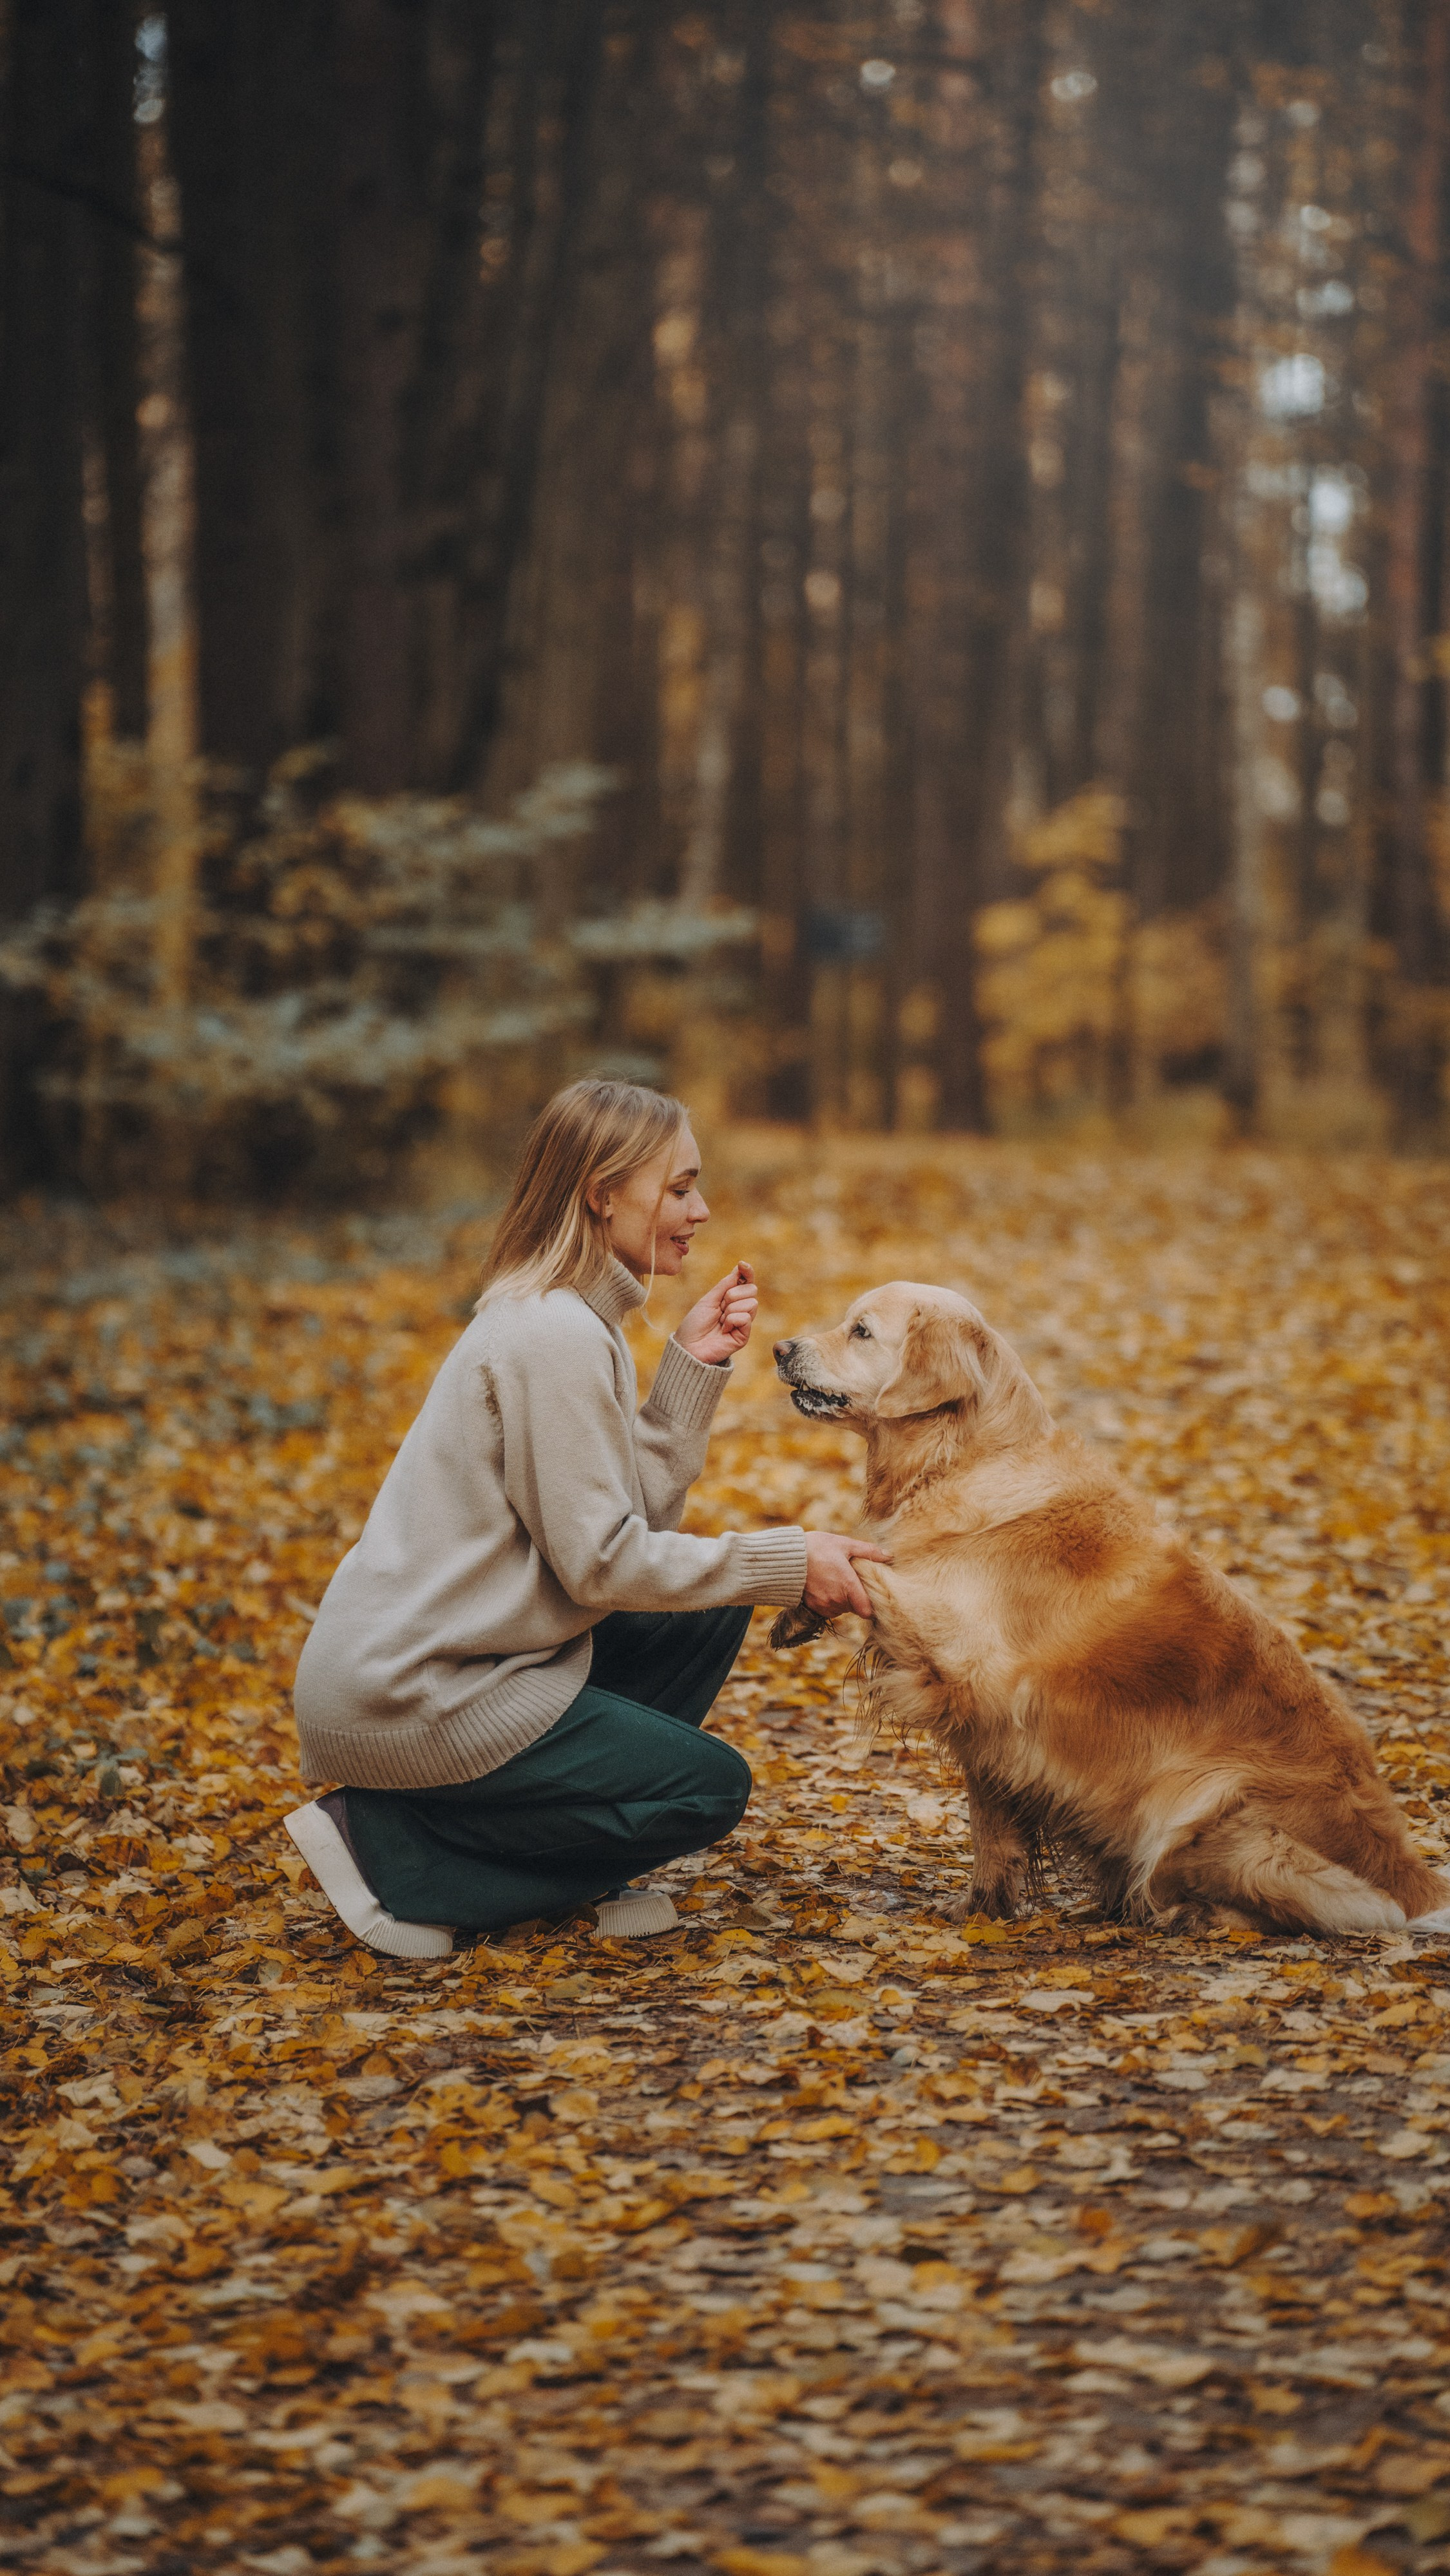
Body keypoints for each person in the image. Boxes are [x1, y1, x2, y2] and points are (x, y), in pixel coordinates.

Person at [285, 1078, 888, 1956]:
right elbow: (602, 1565)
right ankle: (394, 1850)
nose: (702, 1209)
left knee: (711, 1605)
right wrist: (789, 1560)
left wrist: (686, 1368)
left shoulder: (566, 1318)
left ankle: (515, 1847)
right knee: (707, 1791)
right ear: (605, 1193)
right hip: (417, 1690)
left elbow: (606, 1524)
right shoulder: (551, 1335)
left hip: (465, 1661)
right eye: (679, 1188)